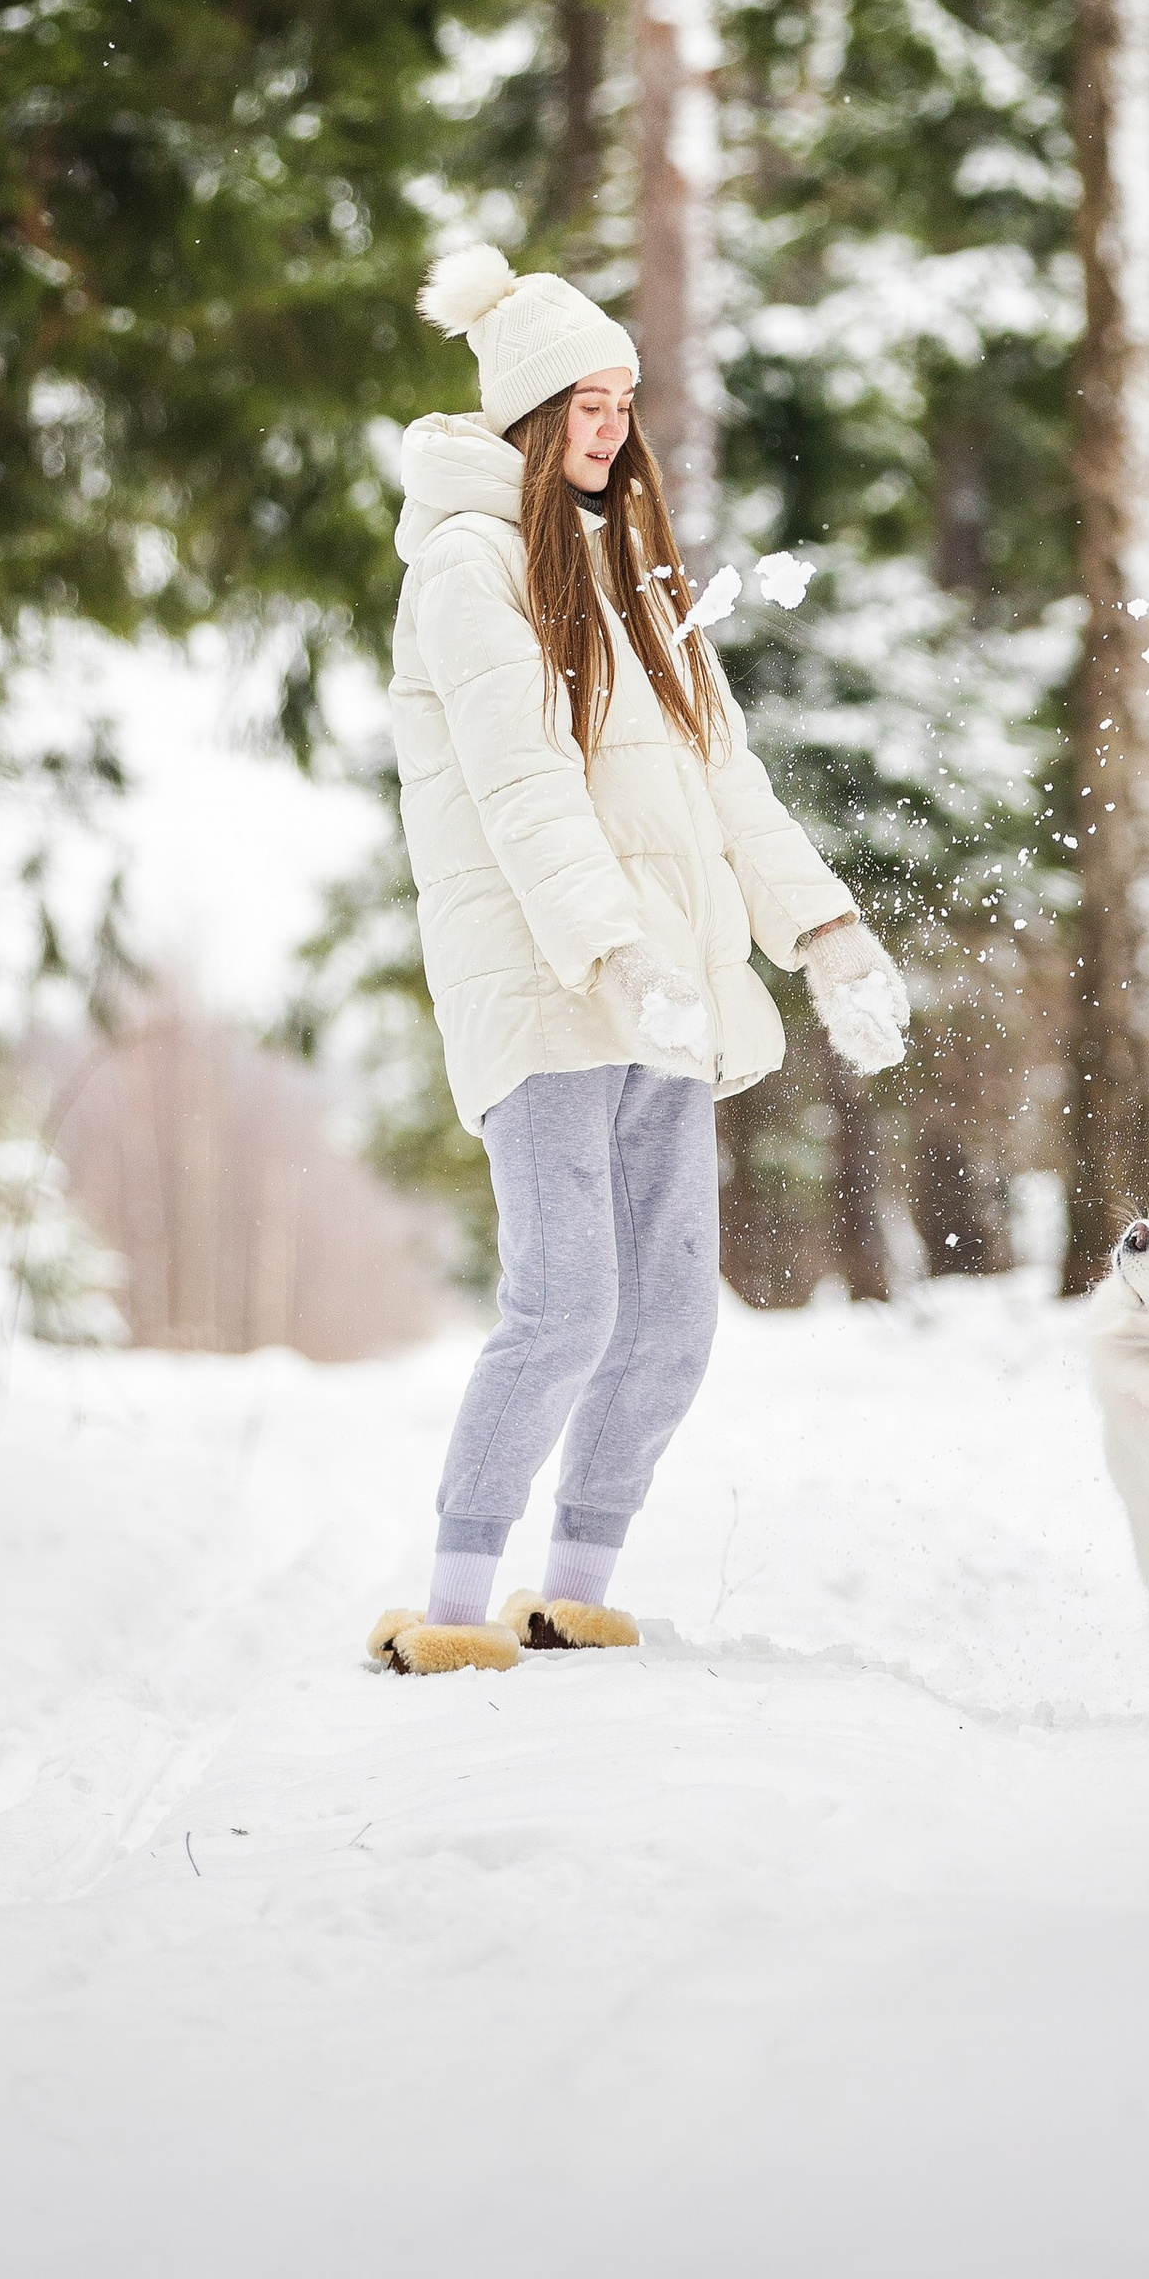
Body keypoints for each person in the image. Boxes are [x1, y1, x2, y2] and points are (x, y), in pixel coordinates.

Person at [365, 237, 910, 1677]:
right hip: (550, 994)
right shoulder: (469, 570)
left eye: (622, 403)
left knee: (669, 1319)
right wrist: (612, 956)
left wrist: (830, 936)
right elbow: (522, 790)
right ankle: (456, 1601)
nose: (610, 430)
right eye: (584, 407)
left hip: (665, 995)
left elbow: (729, 782)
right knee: (567, 1307)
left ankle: (575, 1586)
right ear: (529, 418)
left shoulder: (635, 576)